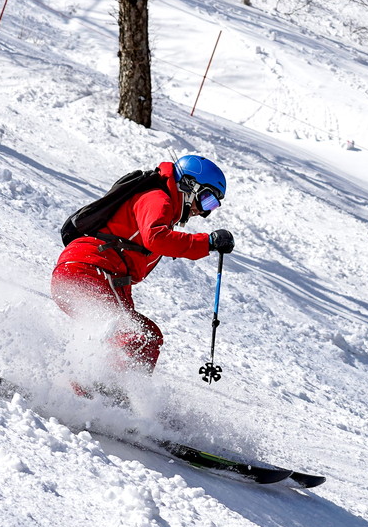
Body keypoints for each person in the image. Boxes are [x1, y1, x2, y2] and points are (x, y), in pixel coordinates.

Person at [50, 155, 235, 389]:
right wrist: (207, 243)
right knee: (135, 337)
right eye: (206, 199)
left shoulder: (161, 205)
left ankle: (90, 390)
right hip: (91, 269)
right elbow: (156, 238)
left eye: (213, 206)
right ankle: (102, 395)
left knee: (143, 336)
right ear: (189, 185)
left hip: (97, 273)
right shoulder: (157, 199)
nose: (204, 212)